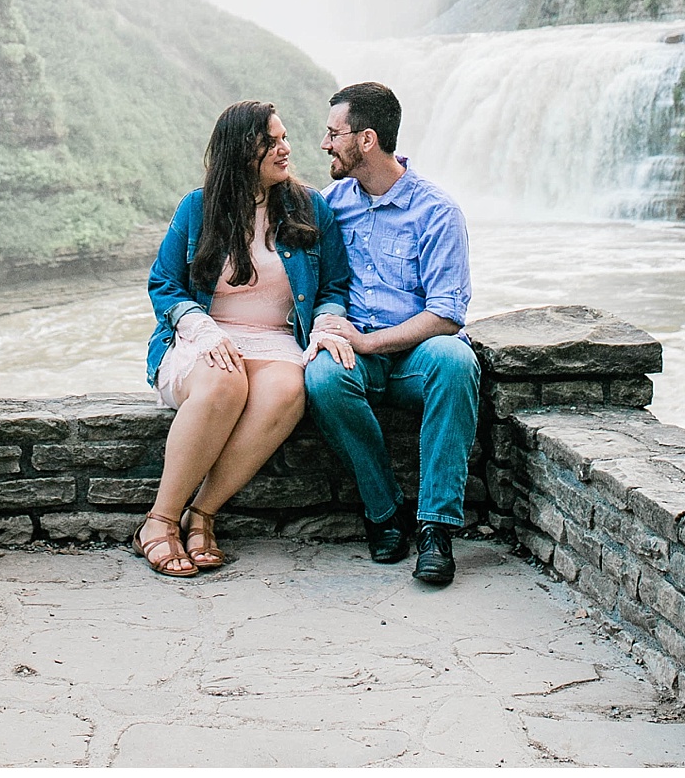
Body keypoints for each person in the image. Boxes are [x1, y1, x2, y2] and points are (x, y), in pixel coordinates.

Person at [139, 99, 354, 577]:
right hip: (204, 333)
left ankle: (203, 514)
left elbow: (335, 286)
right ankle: (159, 521)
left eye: (284, 139)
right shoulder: (197, 208)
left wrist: (324, 325)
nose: (286, 149)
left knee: (288, 390)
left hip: (277, 337)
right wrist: (201, 328)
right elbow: (164, 283)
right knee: (224, 384)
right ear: (242, 151)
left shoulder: (310, 206)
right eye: (271, 142)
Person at [305, 81, 479, 588]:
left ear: (366, 140)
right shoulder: (331, 205)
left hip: (415, 358)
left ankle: (437, 530)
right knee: (321, 377)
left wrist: (369, 342)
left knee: (456, 360)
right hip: (357, 357)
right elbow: (315, 279)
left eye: (333, 133)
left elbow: (447, 315)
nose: (324, 144)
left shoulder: (438, 212)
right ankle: (384, 514)